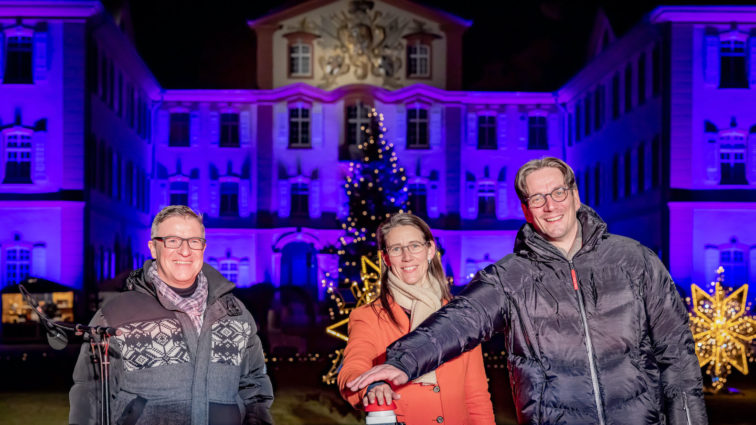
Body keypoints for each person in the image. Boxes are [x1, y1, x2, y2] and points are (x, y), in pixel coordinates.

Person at [348, 158, 708, 425]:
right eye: (537, 199)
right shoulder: (511, 276)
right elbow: (459, 320)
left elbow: (677, 357)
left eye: (557, 193)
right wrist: (402, 362)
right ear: (526, 209)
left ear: (575, 195)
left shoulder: (636, 260)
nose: (550, 206)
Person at [69, 205, 274, 425]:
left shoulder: (236, 315)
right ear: (153, 248)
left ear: (203, 248)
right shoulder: (116, 315)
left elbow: (255, 389)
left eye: (194, 241)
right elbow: (89, 395)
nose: (185, 251)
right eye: (172, 241)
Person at [337, 213, 495, 425]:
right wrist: (372, 387)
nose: (406, 257)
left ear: (430, 250)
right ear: (386, 258)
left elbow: (476, 396)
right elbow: (353, 368)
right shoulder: (368, 317)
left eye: (414, 246)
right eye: (396, 249)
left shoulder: (461, 315)